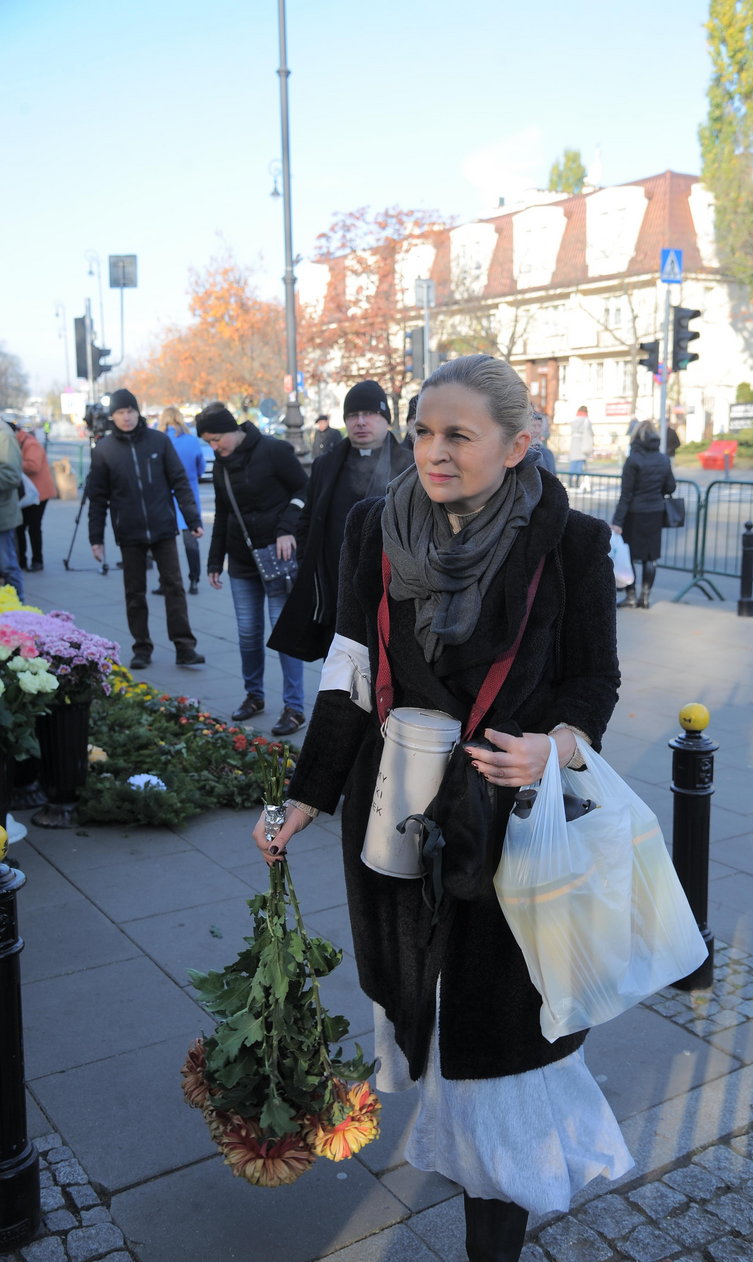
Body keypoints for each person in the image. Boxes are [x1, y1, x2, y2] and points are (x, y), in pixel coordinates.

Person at [253, 354, 631, 1262]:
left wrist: (554, 746)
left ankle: (491, 1240)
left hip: (514, 834)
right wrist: (305, 796)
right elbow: (346, 676)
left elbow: (595, 682)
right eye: (423, 430)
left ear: (518, 445)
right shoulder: (371, 529)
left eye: (458, 435)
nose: (432, 450)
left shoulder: (572, 543)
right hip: (396, 819)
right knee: (425, 1027)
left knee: (500, 1052)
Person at [268, 379, 413, 663]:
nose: (360, 422)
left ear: (386, 419)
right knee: (336, 675)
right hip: (333, 591)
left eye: (369, 414)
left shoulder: (409, 464)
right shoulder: (327, 463)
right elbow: (308, 516)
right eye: (352, 415)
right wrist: (306, 557)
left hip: (388, 591)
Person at [195, 403, 308, 735]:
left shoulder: (274, 450)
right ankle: (253, 696)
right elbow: (223, 515)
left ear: (233, 429)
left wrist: (287, 527)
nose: (215, 448)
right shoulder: (222, 467)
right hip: (242, 561)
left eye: (217, 440)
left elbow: (305, 489)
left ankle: (294, 707)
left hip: (276, 557)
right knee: (248, 633)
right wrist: (215, 560)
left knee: (282, 632)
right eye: (209, 443)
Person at [87, 388, 205, 670]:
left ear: (138, 412)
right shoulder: (104, 450)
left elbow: (180, 482)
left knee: (174, 587)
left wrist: (192, 520)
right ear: (112, 416)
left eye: (130, 411)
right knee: (135, 592)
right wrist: (96, 538)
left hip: (163, 527)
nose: (126, 417)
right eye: (120, 412)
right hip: (129, 532)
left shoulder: (159, 441)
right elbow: (97, 499)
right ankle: (142, 647)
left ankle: (184, 647)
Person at [611, 420, 676, 609]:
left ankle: (631, 595)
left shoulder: (633, 460)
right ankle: (645, 597)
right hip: (655, 512)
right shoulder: (663, 459)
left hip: (635, 513)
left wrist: (617, 521)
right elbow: (670, 486)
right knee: (651, 556)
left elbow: (626, 494)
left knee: (628, 554)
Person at [152, 406, 205, 595]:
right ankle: (194, 579)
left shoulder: (158, 441)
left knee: (164, 543)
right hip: (188, 495)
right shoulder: (192, 441)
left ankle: (165, 581)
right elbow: (201, 467)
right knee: (191, 540)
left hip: (165, 496)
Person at [14, 423, 56, 571]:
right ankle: (21, 561)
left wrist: (13, 460)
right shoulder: (18, 443)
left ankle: (37, 561)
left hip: (39, 494)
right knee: (20, 527)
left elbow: (34, 466)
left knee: (34, 527)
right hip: (27, 495)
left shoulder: (30, 443)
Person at [0, 419, 24, 599]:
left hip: (3, 516)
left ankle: (19, 613)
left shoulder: (4, 435)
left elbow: (12, 476)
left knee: (7, 566)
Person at [567, 404, 593, 488]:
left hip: (574, 444)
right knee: (580, 465)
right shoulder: (586, 421)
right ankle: (577, 482)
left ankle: (570, 481)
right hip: (582, 444)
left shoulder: (574, 420)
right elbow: (590, 433)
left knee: (573, 464)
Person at [528, 408, 556, 474]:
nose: (537, 430)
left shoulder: (547, 453)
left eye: (539, 426)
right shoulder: (523, 452)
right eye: (534, 426)